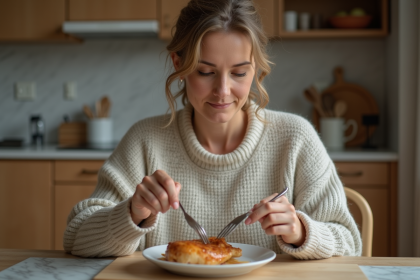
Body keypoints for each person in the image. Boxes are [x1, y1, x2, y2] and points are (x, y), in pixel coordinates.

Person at [64, 0, 362, 260]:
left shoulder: (296, 138)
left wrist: (300, 231)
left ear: (256, 69)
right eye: (205, 72)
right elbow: (76, 237)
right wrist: (131, 214)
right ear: (179, 65)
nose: (222, 91)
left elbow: (350, 244)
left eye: (239, 72)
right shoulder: (144, 141)